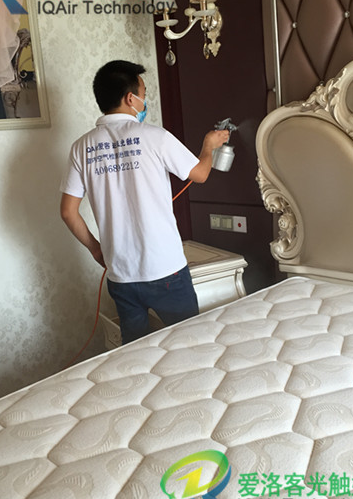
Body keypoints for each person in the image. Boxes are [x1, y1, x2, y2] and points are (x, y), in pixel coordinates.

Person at [60, 59, 229, 344]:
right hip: (166, 270)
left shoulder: (81, 148)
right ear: (131, 99)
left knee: (136, 352)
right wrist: (208, 146)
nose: (144, 100)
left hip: (121, 276)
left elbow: (68, 212)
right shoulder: (154, 136)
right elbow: (200, 174)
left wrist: (96, 250)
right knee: (191, 344)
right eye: (144, 94)